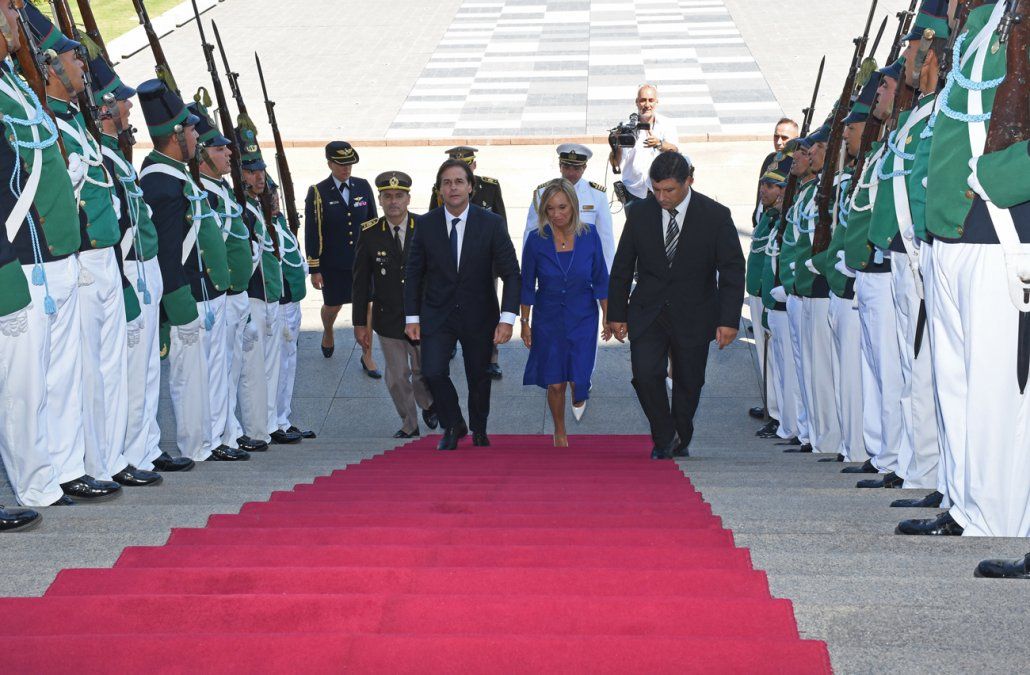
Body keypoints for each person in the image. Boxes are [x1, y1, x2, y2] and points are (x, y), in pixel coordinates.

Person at [2, 6, 121, 505]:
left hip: (58, 255)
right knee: (25, 387)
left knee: (61, 376)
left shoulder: (14, 82)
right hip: (23, 256)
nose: (16, 17)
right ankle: (34, 485)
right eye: (9, 7)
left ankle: (65, 470)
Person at [45, 15, 161, 487]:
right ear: (50, 65)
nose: (81, 66)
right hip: (83, 260)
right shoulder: (55, 121)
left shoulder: (74, 123)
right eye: (73, 58)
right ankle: (88, 465)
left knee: (109, 370)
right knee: (89, 372)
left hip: (105, 259)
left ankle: (109, 459)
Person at [607, 152, 745, 459]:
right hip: (648, 311)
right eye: (656, 190)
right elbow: (622, 266)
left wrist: (729, 320)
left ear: (688, 181)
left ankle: (680, 433)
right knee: (645, 373)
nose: (661, 197)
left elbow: (733, 270)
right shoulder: (639, 213)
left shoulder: (715, 216)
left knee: (689, 380)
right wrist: (616, 313)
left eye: (668, 190)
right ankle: (665, 435)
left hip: (695, 312)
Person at [138, 79, 246, 463]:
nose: (196, 136)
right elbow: (167, 253)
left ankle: (213, 438)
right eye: (190, 130)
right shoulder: (160, 181)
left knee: (212, 373)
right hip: (189, 295)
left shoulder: (177, 174)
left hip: (207, 290)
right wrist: (181, 307)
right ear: (174, 135)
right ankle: (197, 444)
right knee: (190, 378)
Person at [404, 159, 520, 451]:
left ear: (470, 187)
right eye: (446, 182)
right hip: (437, 314)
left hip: (479, 314)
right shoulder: (425, 225)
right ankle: (453, 423)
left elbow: (511, 273)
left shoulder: (491, 223)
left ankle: (479, 428)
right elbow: (413, 274)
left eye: (459, 181)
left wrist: (507, 319)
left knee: (479, 376)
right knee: (432, 371)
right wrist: (412, 317)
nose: (453, 187)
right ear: (439, 189)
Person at [520, 179, 610, 447]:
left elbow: (601, 279)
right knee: (555, 381)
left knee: (579, 374)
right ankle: (559, 430)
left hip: (583, 316)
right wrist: (524, 322)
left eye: (562, 207)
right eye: (550, 209)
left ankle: (579, 390)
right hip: (548, 318)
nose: (556, 214)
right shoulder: (536, 241)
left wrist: (608, 316)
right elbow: (527, 284)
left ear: (574, 206)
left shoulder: (589, 235)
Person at [353, 171, 437, 438]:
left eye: (399, 196)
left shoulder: (426, 227)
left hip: (422, 317)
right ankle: (409, 423)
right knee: (397, 376)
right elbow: (360, 282)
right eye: (387, 196)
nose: (393, 202)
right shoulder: (369, 233)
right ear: (379, 200)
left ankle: (428, 403)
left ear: (408, 199)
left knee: (423, 370)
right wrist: (359, 323)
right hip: (387, 317)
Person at [430, 145, 508, 379]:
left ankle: (492, 356)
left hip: (484, 263)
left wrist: (498, 262)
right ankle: (452, 341)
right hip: (451, 261)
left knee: (487, 309)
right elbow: (433, 224)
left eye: (466, 165)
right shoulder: (441, 189)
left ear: (474, 165)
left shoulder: (490, 187)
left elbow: (500, 224)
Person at [304, 141, 380, 378]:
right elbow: (312, 231)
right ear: (329, 164)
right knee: (333, 306)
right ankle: (328, 330)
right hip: (333, 263)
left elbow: (373, 221)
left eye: (349, 164)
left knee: (367, 306)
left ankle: (367, 355)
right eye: (341, 164)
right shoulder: (318, 192)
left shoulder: (362, 186)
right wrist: (315, 268)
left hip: (362, 261)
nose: (346, 169)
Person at [523, 143, 615, 271]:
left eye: (576, 168)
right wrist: (528, 269)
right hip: (551, 261)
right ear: (560, 166)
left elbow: (605, 237)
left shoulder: (597, 194)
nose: (571, 173)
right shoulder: (542, 193)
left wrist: (608, 272)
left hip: (585, 263)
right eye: (566, 167)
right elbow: (531, 231)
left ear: (584, 168)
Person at [610, 84, 680, 207]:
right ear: (637, 102)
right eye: (643, 100)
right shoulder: (626, 128)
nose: (647, 105)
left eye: (651, 100)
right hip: (634, 192)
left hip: (660, 192)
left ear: (656, 102)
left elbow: (675, 151)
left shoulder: (667, 124)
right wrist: (616, 145)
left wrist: (659, 144)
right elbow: (616, 164)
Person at [753, 118, 799, 230]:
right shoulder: (770, 159)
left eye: (784, 138)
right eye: (776, 136)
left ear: (796, 139)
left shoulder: (798, 166)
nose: (778, 142)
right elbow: (760, 194)